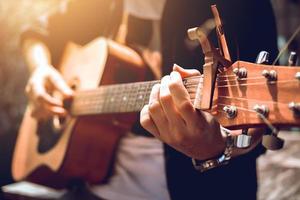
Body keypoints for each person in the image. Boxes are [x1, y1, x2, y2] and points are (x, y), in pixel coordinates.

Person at [22, 0, 278, 199]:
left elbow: (259, 115)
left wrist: (217, 148)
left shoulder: (243, 5)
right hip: (88, 183)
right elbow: (37, 30)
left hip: (201, 190)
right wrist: (39, 69)